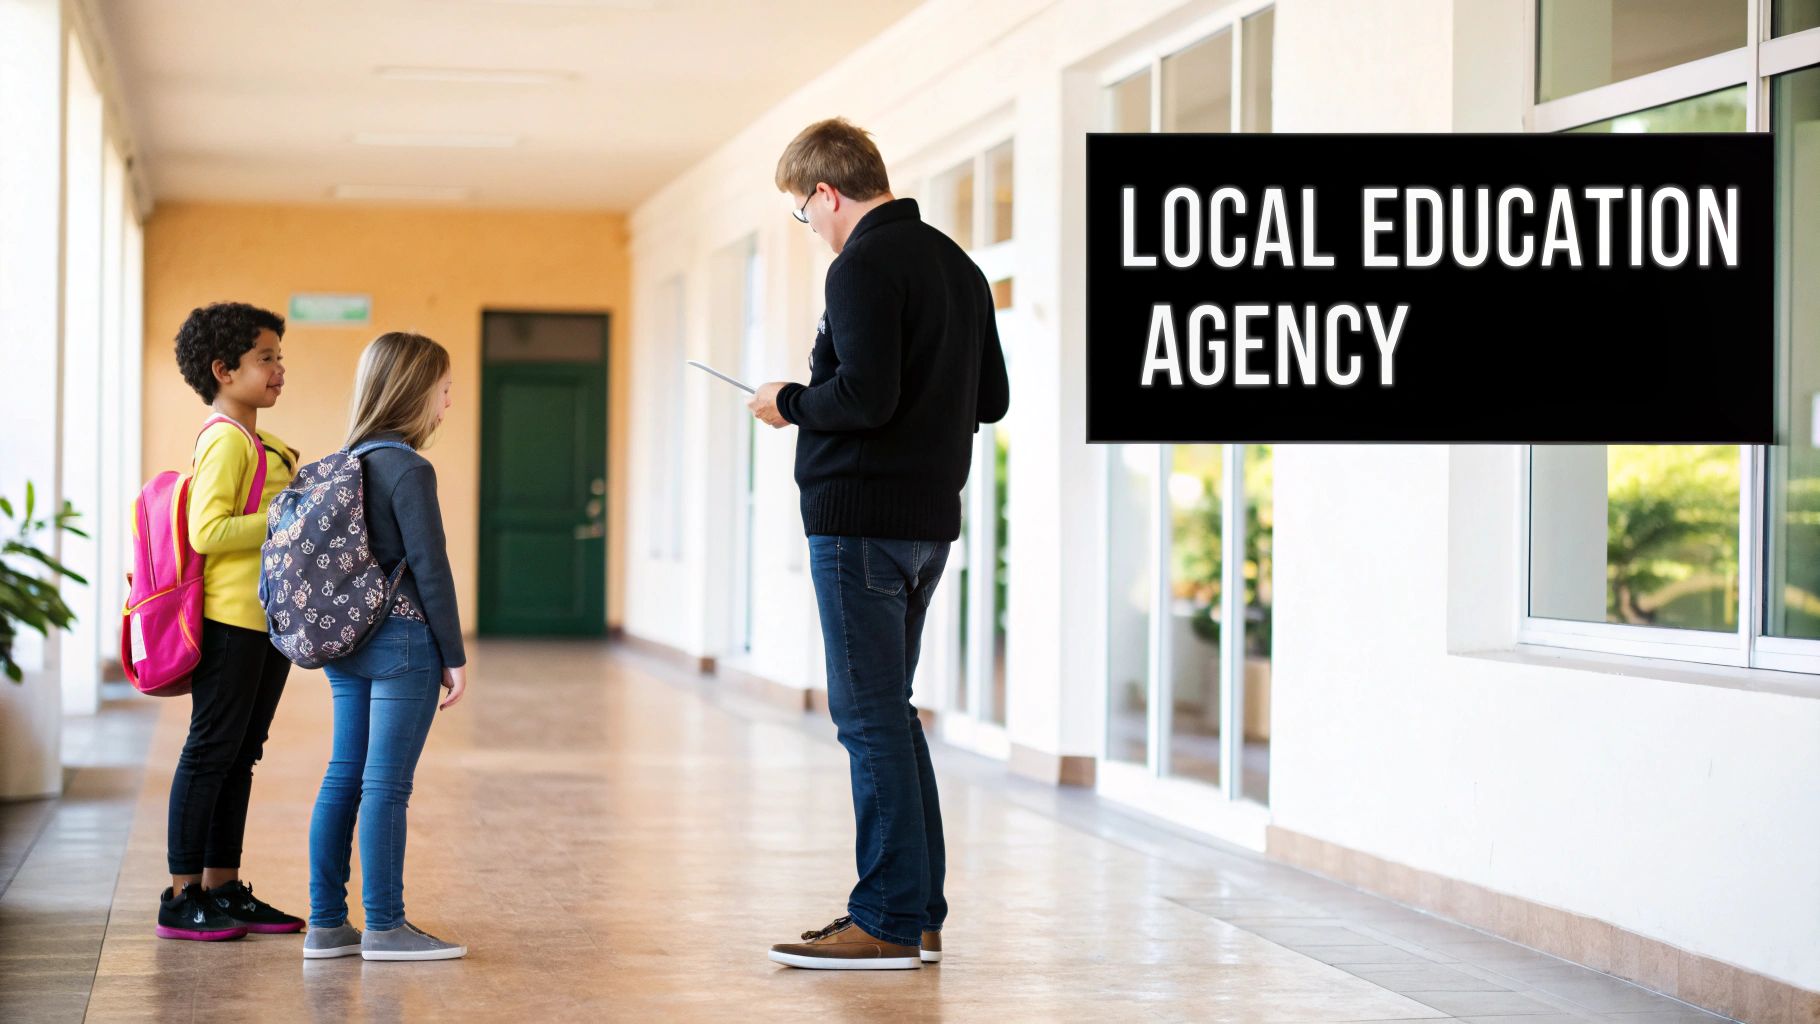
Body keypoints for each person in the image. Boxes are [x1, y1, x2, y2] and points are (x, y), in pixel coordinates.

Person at [752, 118, 1009, 970]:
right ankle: (919, 911)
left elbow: (862, 396)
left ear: (828, 192)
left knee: (868, 719)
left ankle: (888, 921)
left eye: (805, 212)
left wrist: (789, 400)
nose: (813, 229)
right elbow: (993, 398)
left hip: (859, 524)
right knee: (888, 715)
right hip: (927, 524)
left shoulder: (861, 264)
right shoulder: (959, 267)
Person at [301, 332, 470, 962]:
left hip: (346, 641)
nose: (448, 403)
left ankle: (326, 924)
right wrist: (454, 655)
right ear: (415, 391)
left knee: (344, 775)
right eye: (445, 389)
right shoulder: (408, 468)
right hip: (403, 643)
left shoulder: (339, 464)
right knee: (386, 787)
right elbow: (431, 568)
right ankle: (387, 926)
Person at [160, 302, 303, 941]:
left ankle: (222, 886)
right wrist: (286, 516)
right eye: (265, 358)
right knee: (211, 751)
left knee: (241, 754)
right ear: (224, 370)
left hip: (264, 620)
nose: (278, 370)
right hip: (229, 621)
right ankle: (181, 894)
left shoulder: (257, 439)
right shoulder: (223, 438)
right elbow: (207, 530)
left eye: (278, 357)